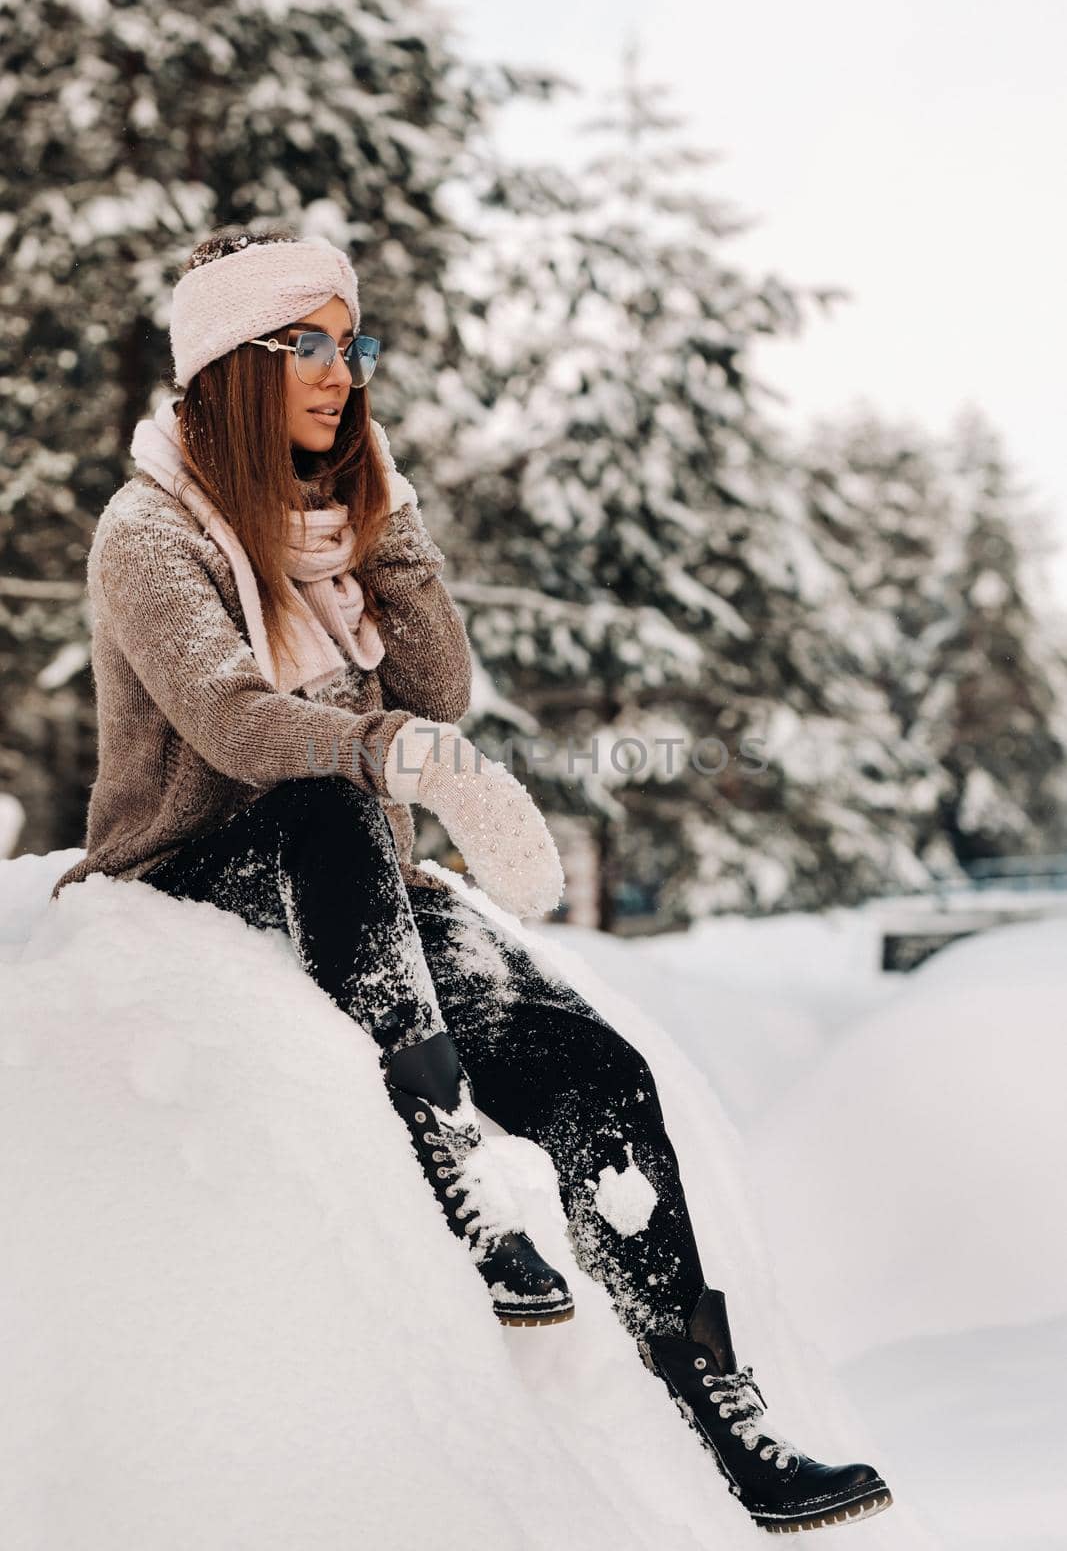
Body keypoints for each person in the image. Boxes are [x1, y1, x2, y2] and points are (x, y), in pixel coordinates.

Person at [51, 225, 893, 1534]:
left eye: (355, 343)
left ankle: (726, 1414)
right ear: (228, 362)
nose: (344, 370)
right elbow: (235, 726)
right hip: (200, 866)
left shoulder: (338, 522)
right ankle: (441, 1141)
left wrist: (391, 536)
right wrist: (403, 753)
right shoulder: (148, 532)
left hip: (351, 883)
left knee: (596, 1074)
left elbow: (439, 689)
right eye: (309, 343)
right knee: (329, 795)